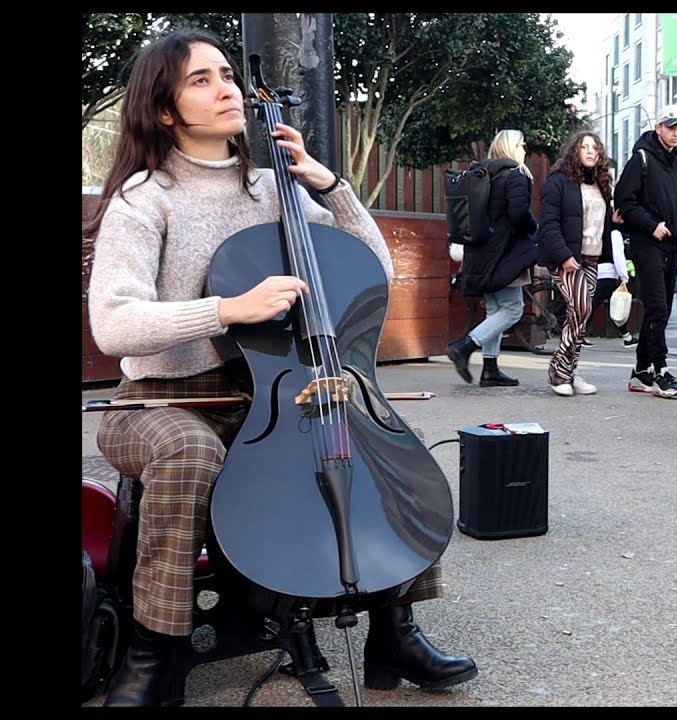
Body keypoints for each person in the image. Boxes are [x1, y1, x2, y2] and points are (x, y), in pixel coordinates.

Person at [83, 29, 476, 706]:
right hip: (159, 400)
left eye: (227, 74)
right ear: (166, 109)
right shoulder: (144, 198)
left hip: (268, 392)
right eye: (201, 80)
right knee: (187, 453)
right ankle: (154, 658)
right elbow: (115, 325)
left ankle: (394, 628)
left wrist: (330, 185)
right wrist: (228, 309)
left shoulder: (272, 188)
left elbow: (370, 274)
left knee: (374, 445)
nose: (227, 88)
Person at [446, 129, 540, 387]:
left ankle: (490, 369)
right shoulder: (515, 175)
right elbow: (519, 214)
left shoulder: (481, 173)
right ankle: (465, 346)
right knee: (512, 310)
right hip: (505, 253)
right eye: (522, 144)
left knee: (497, 310)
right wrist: (535, 227)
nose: (525, 149)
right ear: (511, 148)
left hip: (479, 252)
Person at [616, 104, 677, 399]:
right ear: (658, 127)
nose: (676, 133)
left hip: (673, 243)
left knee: (659, 309)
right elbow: (624, 200)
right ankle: (660, 370)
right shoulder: (641, 158)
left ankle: (640, 372)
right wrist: (652, 226)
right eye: (670, 127)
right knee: (658, 306)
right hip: (647, 243)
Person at [538, 130, 617, 397]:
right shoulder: (558, 182)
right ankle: (558, 370)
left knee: (580, 317)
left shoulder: (601, 184)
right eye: (585, 147)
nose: (591, 152)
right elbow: (548, 224)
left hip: (593, 259)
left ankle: (571, 372)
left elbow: (603, 225)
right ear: (575, 151)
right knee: (581, 310)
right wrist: (563, 256)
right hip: (569, 259)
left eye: (595, 148)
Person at [587, 227, 637, 346]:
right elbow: (618, 256)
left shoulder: (597, 230)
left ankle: (627, 337)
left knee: (612, 304)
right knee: (597, 304)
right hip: (608, 274)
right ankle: (577, 334)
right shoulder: (614, 233)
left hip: (595, 270)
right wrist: (624, 277)